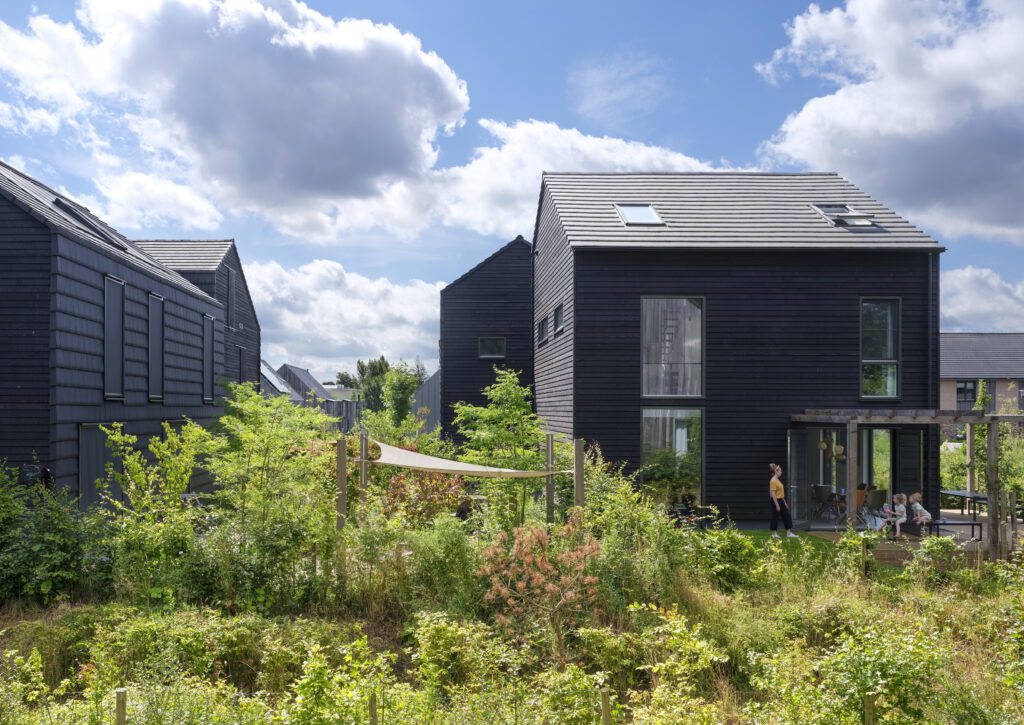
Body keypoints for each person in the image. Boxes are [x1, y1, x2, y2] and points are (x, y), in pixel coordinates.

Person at [769, 463, 798, 539]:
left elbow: (780, 493)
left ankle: (789, 533)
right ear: (776, 471)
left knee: (787, 516)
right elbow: (772, 493)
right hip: (775, 500)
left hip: (781, 500)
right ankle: (774, 534)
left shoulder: (777, 480)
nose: (781, 472)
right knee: (775, 517)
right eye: (780, 471)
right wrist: (777, 505)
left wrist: (784, 502)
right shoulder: (773, 481)